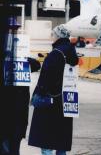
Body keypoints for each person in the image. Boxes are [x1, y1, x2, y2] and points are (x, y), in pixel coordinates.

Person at [28, 25, 79, 155]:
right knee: (61, 137)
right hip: (66, 100)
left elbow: (45, 79)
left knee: (46, 138)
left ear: (57, 36)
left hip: (50, 101)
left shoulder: (55, 54)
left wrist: (38, 94)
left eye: (53, 34)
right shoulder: (71, 53)